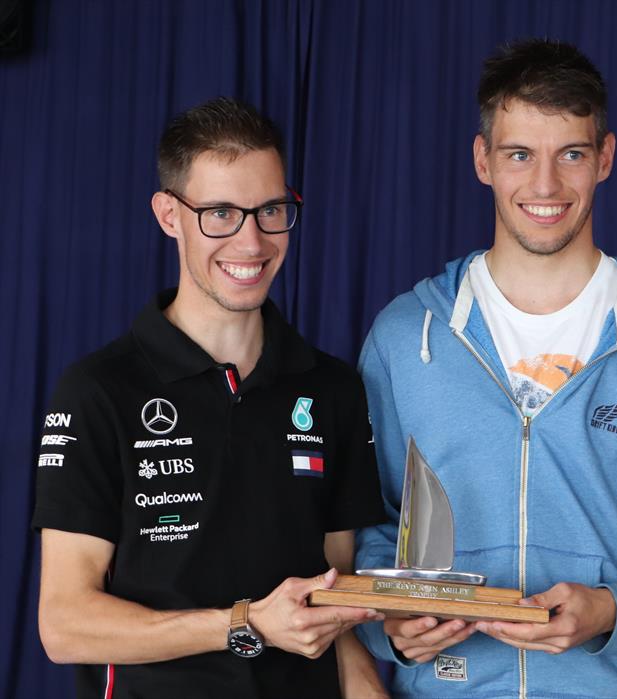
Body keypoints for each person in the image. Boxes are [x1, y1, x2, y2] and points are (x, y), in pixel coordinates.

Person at [354, 39, 617, 698]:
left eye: (570, 153)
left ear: (605, 158)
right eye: (520, 155)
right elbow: (366, 527)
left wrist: (613, 611)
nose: (545, 186)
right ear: (483, 160)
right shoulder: (407, 337)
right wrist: (392, 627)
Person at [33, 97, 388, 699]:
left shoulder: (332, 388)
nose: (252, 242)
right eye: (221, 212)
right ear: (168, 214)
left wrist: (366, 688)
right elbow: (64, 626)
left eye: (271, 210)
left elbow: (335, 593)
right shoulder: (98, 391)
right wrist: (243, 625)